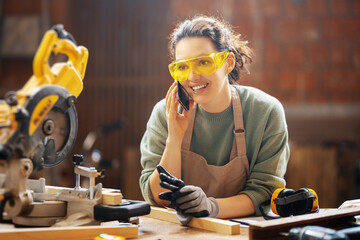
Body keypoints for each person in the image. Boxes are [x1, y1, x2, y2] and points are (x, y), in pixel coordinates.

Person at [139, 15, 290, 220]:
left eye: (203, 62)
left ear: (228, 63)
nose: (192, 77)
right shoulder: (165, 114)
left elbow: (264, 192)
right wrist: (174, 138)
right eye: (182, 67)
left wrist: (211, 206)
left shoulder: (265, 112)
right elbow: (159, 197)